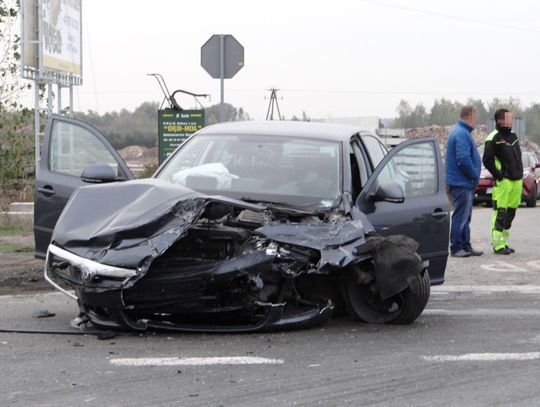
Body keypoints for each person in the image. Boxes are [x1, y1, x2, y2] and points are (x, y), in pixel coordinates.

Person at [482, 108, 523, 255]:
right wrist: (499, 176)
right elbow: (487, 160)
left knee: (511, 212)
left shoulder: (513, 136)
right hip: (503, 182)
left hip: (516, 181)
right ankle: (498, 245)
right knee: (501, 212)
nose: (511, 120)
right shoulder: (493, 137)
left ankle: (504, 242)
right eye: (508, 118)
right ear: (499, 120)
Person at [445, 106, 483, 257]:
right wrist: (474, 176)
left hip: (463, 183)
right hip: (461, 184)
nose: (476, 120)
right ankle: (456, 248)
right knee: (460, 216)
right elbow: (463, 159)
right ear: (470, 116)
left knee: (465, 217)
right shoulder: (461, 133)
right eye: (475, 116)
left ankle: (466, 246)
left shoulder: (462, 132)